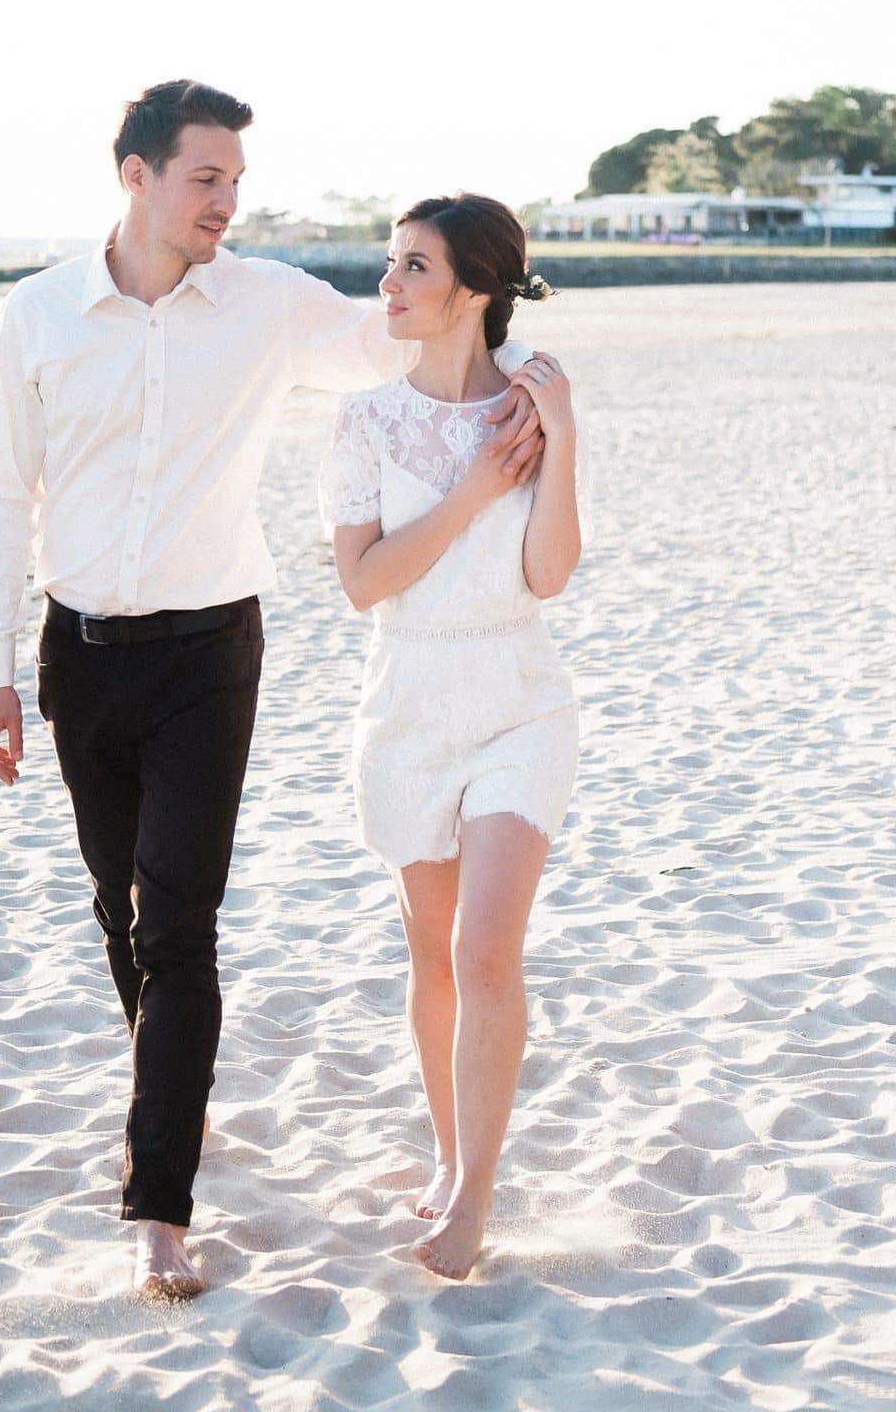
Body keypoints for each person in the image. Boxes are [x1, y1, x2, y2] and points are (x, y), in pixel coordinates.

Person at [0, 82, 544, 1301]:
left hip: (210, 652)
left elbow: (422, 324)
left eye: (236, 178)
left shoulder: (270, 302)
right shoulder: (38, 317)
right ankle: (165, 1086)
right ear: (136, 175)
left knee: (178, 925)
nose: (230, 199)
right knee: (123, 915)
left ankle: (158, 1204)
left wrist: (536, 374)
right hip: (80, 652)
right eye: (206, 178)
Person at [320, 192, 583, 1282]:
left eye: (412, 267)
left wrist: (562, 438)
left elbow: (550, 572)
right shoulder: (365, 421)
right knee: (433, 953)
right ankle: (447, 1152)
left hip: (520, 697)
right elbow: (363, 581)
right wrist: (474, 488)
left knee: (485, 949)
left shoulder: (535, 399)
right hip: (411, 702)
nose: (388, 284)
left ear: (473, 289)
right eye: (390, 264)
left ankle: (475, 1194)